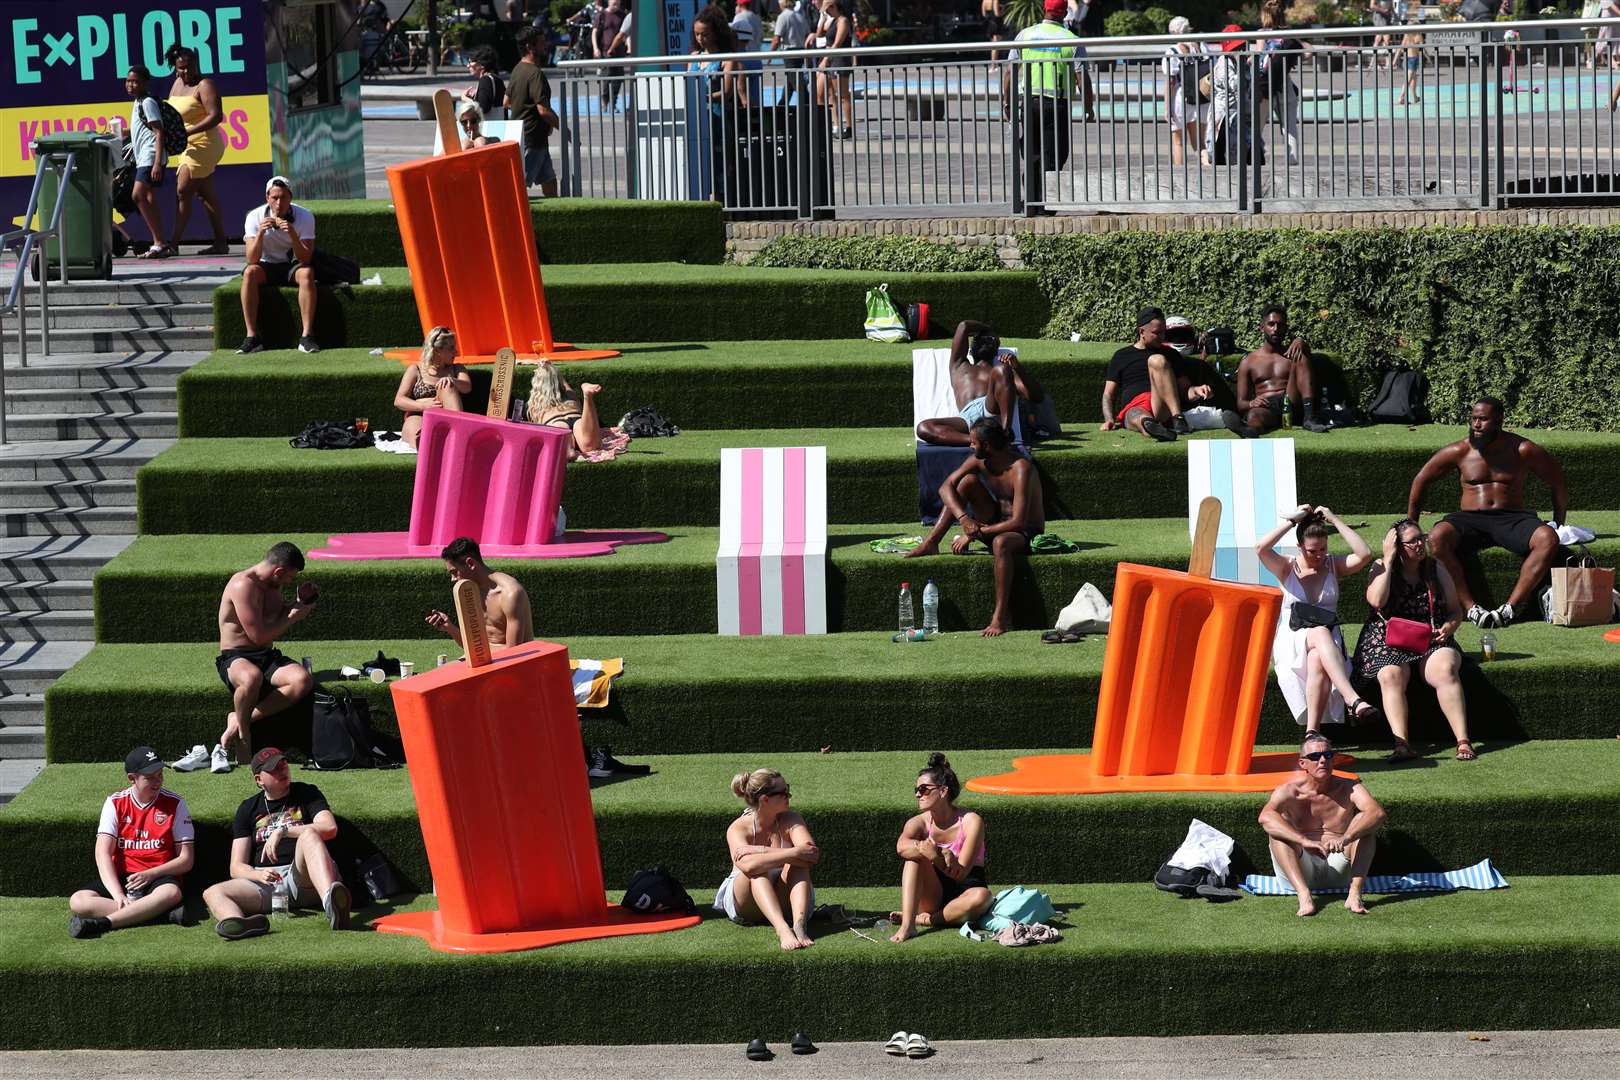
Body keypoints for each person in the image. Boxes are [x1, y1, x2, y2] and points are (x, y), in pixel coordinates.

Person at [1408, 397, 1568, 629]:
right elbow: (1421, 479)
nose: (1476, 425)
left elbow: (1558, 481)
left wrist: (1558, 523)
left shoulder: (1522, 449)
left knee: (1548, 538)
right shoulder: (1460, 450)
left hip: (1512, 518)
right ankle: (1471, 608)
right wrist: (1410, 524)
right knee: (1437, 537)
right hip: (1470, 519)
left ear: (1499, 420)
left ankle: (1509, 609)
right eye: (1473, 419)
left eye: (1483, 419)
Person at [905, 417, 1045, 637]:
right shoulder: (978, 461)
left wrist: (974, 533)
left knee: (1001, 543)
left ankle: (999, 618)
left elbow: (1018, 521)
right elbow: (945, 487)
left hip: (1024, 531)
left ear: (987, 445)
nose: (970, 446)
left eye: (973, 442)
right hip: (994, 522)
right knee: (966, 482)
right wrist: (964, 519)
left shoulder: (1021, 468)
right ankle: (932, 542)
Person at [1351, 520, 1474, 762]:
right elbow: (1376, 601)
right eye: (1413, 541)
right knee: (1390, 675)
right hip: (1387, 638)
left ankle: (1463, 740)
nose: (1420, 544)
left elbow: (1455, 610)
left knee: (1445, 670)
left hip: (1429, 636)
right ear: (1397, 546)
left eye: (1422, 538)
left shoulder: (1435, 568)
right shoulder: (1380, 567)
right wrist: (1387, 560)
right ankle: (1402, 744)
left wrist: (1450, 627)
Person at [202, 747, 351, 940]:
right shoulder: (248, 808)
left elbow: (329, 828)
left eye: (284, 764)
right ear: (259, 780)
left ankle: (332, 906)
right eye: (274, 769)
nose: (282, 770)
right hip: (268, 884)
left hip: (303, 875)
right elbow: (236, 867)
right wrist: (258, 874)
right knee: (212, 892)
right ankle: (240, 923)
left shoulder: (306, 793)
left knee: (309, 835)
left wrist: (284, 831)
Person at [1256, 505, 1380, 731]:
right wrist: (1292, 522)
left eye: (1323, 548)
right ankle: (1352, 698)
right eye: (1313, 551)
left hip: (1327, 641)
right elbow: (1261, 548)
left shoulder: (1333, 564)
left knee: (1316, 658)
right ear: (1300, 547)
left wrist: (1334, 519)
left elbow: (1365, 554)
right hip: (1292, 638)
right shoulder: (1286, 566)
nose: (1320, 555)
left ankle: (1312, 732)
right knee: (1320, 632)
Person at [68, 747, 195, 938]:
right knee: (78, 901)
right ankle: (158, 915)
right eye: (150, 777)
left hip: (158, 876)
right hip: (123, 876)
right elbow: (102, 852)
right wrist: (118, 895)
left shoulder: (176, 803)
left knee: (171, 893)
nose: (158, 781)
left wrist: (150, 874)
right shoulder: (115, 802)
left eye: (160, 774)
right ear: (132, 778)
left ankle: (105, 923)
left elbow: (186, 859)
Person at [1257, 733, 1385, 916]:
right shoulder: (1290, 791)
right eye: (1315, 757)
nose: (1322, 760)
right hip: (1302, 866)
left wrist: (1346, 837)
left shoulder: (1350, 787)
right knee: (1278, 829)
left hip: (1340, 863)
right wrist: (1304, 841)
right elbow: (1265, 817)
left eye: (1328, 755)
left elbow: (1377, 813)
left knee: (1364, 824)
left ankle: (1355, 893)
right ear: (1303, 764)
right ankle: (1304, 896)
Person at [215, 541, 318, 769]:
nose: (289, 582)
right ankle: (244, 736)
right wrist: (293, 616)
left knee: (302, 680)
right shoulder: (243, 585)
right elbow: (258, 636)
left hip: (266, 655)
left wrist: (299, 603)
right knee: (251, 678)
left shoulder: (273, 584)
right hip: (237, 656)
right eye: (289, 578)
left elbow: (274, 616)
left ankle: (240, 719)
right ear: (278, 571)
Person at [889, 753, 991, 941]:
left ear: (943, 791)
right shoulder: (917, 823)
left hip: (967, 891)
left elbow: (961, 873)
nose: (917, 794)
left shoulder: (971, 821)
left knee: (982, 896)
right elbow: (901, 847)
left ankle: (925, 921)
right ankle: (908, 926)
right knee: (913, 857)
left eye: (924, 789)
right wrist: (932, 851)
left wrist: (935, 856)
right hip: (933, 893)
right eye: (916, 789)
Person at [716, 768, 820, 950]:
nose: (790, 795)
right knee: (757, 872)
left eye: (787, 788)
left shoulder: (792, 819)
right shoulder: (738, 828)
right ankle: (782, 929)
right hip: (747, 902)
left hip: (784, 895)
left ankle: (799, 924)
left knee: (799, 867)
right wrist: (795, 853)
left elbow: (812, 855)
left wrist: (760, 850)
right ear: (765, 799)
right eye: (783, 792)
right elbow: (748, 866)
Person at [1101, 307, 1235, 443]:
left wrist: (1197, 390)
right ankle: (1152, 427)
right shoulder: (1121, 355)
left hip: (1162, 405)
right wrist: (1109, 419)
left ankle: (1177, 419)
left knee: (1157, 360)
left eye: (1163, 332)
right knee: (1136, 414)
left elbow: (1185, 390)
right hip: (1136, 406)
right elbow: (1108, 394)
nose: (1162, 337)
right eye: (1156, 333)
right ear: (1142, 332)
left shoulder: (1170, 354)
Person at [1003, 0, 1084, 211]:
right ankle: (1045, 203)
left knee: (1031, 154)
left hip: (1029, 103)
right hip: (1057, 105)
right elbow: (1081, 76)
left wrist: (1007, 102)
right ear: (1064, 12)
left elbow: (1009, 72)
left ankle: (1030, 202)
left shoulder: (1025, 35)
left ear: (1044, 10)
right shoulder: (1071, 39)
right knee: (1055, 154)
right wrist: (1089, 105)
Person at [236, 176, 318, 355]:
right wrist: (260, 233)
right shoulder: (254, 217)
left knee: (307, 274)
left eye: (283, 197)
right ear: (267, 198)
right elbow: (252, 259)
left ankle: (307, 336)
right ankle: (252, 336)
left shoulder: (304, 216)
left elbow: (305, 258)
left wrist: (293, 234)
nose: (279, 203)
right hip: (266, 265)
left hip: (292, 265)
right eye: (275, 198)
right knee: (249, 273)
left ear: (290, 197)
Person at [164, 44, 229, 255]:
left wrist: (188, 133)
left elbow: (216, 116)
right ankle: (221, 243)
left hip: (205, 144)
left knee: (183, 190)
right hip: (186, 144)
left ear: (196, 65)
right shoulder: (176, 85)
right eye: (181, 68)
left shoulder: (205, 85)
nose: (186, 71)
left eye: (189, 66)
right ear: (175, 68)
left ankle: (173, 244)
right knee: (205, 194)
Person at [1231, 304, 1331, 435]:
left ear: (1286, 328)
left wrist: (1302, 342)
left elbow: (1306, 359)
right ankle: (1250, 431)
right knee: (1254, 415)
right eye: (1271, 324)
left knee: (1300, 353)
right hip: (1267, 409)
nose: (1276, 329)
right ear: (1262, 328)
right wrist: (1251, 403)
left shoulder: (1292, 353)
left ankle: (1310, 418)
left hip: (1291, 404)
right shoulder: (1249, 361)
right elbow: (1241, 403)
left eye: (1280, 325)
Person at [915, 319, 1015, 447]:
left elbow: (1035, 395)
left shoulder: (1001, 373)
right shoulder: (958, 366)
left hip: (989, 407)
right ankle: (978, 441)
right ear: (970, 349)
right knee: (924, 427)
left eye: (992, 340)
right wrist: (989, 329)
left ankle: (1005, 433)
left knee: (1001, 369)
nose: (988, 341)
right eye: (981, 340)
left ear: (996, 350)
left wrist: (1017, 368)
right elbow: (964, 326)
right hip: (966, 418)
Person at [425, 536, 536, 649]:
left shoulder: (510, 593)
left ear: (470, 563)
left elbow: (514, 654)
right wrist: (449, 627)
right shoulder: (470, 592)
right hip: (486, 661)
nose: (452, 579)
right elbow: (474, 648)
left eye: (454, 572)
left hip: (514, 663)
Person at [691, 6, 748, 200]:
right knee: (699, 163)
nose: (700, 38)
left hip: (717, 119)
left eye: (705, 34)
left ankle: (722, 201)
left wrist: (704, 97)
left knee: (719, 164)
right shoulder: (693, 58)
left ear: (715, 32)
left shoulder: (726, 58)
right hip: (697, 120)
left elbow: (726, 92)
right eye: (697, 34)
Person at [395, 325, 472, 447]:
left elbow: (467, 387)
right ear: (437, 351)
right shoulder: (416, 369)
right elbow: (399, 400)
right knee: (419, 436)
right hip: (419, 415)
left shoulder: (457, 369)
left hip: (447, 417)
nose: (456, 352)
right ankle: (431, 442)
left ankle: (457, 434)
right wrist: (423, 405)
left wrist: (452, 380)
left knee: (447, 385)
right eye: (451, 348)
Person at [123, 66, 170, 258]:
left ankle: (159, 242)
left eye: (135, 81)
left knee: (138, 195)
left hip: (151, 157)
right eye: (128, 81)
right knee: (148, 197)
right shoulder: (138, 102)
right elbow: (141, 130)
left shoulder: (148, 102)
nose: (130, 85)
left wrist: (157, 163)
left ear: (144, 83)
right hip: (143, 157)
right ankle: (160, 243)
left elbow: (159, 132)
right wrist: (119, 133)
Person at [509, 25, 560, 197]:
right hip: (532, 138)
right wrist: (565, 129)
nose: (545, 45)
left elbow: (506, 101)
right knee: (519, 187)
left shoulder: (517, 69)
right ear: (530, 47)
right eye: (541, 42)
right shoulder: (535, 73)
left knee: (549, 180)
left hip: (530, 136)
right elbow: (543, 110)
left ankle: (555, 218)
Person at [1258, 3, 1308, 163]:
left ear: (1265, 16)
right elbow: (1307, 53)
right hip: (1285, 83)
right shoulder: (1289, 34)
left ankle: (1253, 157)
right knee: (1289, 126)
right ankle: (1292, 160)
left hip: (1266, 85)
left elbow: (1260, 57)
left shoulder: (1262, 33)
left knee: (1257, 125)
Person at [525, 361, 605, 458]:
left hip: (555, 422)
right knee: (590, 447)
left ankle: (569, 450)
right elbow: (561, 380)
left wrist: (541, 371)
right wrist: (550, 367)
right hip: (576, 418)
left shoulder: (535, 404)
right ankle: (587, 398)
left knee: (561, 437)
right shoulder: (569, 394)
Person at [1207, 26, 1263, 167]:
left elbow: (1250, 84)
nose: (1240, 50)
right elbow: (1235, 86)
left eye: (1242, 46)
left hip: (1242, 114)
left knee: (1254, 154)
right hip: (1225, 116)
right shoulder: (1223, 63)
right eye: (1236, 47)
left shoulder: (1243, 62)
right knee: (1224, 156)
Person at [1163, 17, 1212, 168]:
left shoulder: (1173, 51)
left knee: (1178, 142)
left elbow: (1170, 81)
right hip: (1201, 97)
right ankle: (1207, 167)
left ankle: (1179, 176)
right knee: (1199, 142)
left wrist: (1166, 108)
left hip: (1181, 98)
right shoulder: (1202, 47)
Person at [815, 0, 855, 139]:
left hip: (839, 60)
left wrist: (826, 59)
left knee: (843, 95)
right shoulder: (832, 20)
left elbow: (837, 43)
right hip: (831, 59)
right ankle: (830, 125)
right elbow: (819, 34)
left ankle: (849, 127)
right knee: (822, 92)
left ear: (833, 6)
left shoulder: (842, 21)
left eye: (827, 7)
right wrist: (822, 17)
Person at [772, 0, 813, 105]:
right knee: (790, 82)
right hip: (800, 51)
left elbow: (777, 39)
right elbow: (807, 36)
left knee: (797, 84)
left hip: (789, 52)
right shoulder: (800, 16)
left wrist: (770, 55)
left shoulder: (783, 16)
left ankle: (808, 108)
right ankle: (782, 105)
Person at [594, 0, 631, 112]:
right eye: (614, 2)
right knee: (606, 77)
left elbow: (626, 33)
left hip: (619, 52)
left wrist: (628, 46)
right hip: (605, 51)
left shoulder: (623, 15)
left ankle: (613, 103)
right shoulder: (602, 15)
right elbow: (594, 32)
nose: (616, 5)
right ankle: (604, 101)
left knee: (618, 79)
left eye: (618, 3)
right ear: (609, 1)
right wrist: (596, 48)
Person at [461, 49, 506, 120]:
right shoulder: (497, 79)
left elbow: (483, 108)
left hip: (488, 128)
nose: (468, 65)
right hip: (499, 124)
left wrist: (465, 98)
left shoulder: (485, 80)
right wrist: (474, 97)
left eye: (470, 62)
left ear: (482, 65)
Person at [1396, 20, 1424, 106]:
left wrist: (1394, 60)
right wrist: (1429, 59)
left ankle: (1415, 97)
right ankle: (1401, 97)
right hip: (1413, 59)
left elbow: (1400, 48)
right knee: (1408, 80)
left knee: (1413, 78)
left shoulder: (1407, 36)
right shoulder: (1418, 36)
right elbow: (1423, 49)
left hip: (1407, 58)